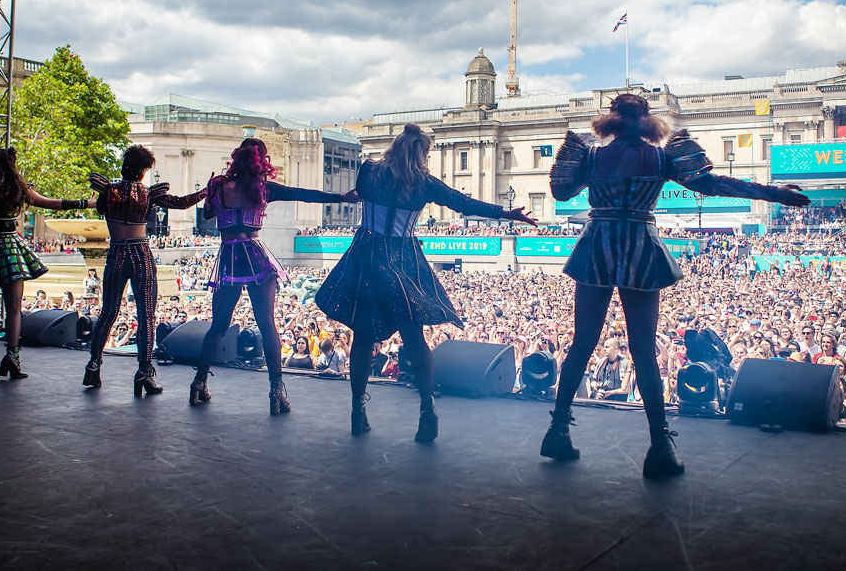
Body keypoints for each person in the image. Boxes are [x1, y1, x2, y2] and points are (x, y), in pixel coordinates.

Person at [539, 94, 809, 478]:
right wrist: (773, 193)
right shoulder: (663, 157)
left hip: (596, 242)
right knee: (644, 350)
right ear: (647, 120)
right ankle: (659, 446)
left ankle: (557, 430)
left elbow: (561, 192)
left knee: (583, 343)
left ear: (611, 120)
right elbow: (713, 184)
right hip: (639, 244)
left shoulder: (590, 156)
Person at [316, 123, 537, 441]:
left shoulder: (368, 171)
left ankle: (357, 410)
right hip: (401, 260)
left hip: (366, 257)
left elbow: (362, 196)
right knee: (414, 338)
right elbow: (464, 204)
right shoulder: (422, 183)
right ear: (422, 155)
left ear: (394, 146)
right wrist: (508, 213)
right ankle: (426, 408)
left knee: (363, 336)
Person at [190, 138, 356, 411]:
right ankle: (276, 392)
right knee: (267, 324)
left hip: (230, 257)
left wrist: (211, 198)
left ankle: (198, 384)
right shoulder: (264, 188)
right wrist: (340, 197)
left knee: (218, 325)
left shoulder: (217, 186)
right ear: (261, 161)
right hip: (255, 257)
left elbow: (207, 215)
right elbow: (303, 193)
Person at [0, 147, 93, 378]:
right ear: (12, 165)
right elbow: (53, 203)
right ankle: (12, 358)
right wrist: (86, 203)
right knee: (13, 308)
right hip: (9, 248)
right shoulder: (17, 189)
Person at [83, 145, 206, 395]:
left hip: (117, 253)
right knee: (146, 315)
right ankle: (144, 372)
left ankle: (93, 366)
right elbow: (182, 203)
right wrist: (206, 190)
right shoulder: (149, 194)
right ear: (144, 171)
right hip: (140, 254)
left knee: (108, 312)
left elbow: (101, 209)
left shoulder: (107, 190)